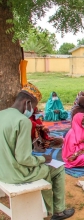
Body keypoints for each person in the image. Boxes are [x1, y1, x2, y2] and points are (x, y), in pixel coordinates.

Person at [0, 83, 75, 219]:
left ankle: (50, 208)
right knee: (56, 169)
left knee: (43, 169)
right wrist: (43, 159)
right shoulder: (23, 121)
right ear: (27, 103)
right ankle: (56, 211)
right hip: (16, 175)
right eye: (33, 107)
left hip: (2, 171)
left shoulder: (2, 114)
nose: (33, 110)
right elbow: (23, 159)